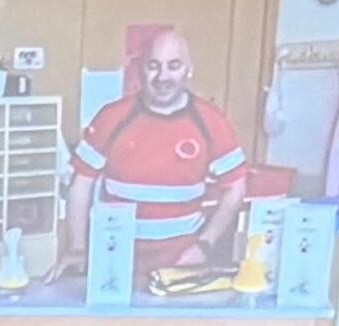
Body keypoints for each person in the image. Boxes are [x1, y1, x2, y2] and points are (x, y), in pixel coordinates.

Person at [65, 23, 251, 283]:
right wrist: (77, 248)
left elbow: (236, 188)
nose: (163, 77)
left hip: (181, 267)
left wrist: (204, 245)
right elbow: (80, 184)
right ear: (141, 69)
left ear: (189, 69)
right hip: (114, 261)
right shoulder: (112, 117)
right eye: (154, 66)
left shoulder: (211, 121)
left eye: (173, 66)